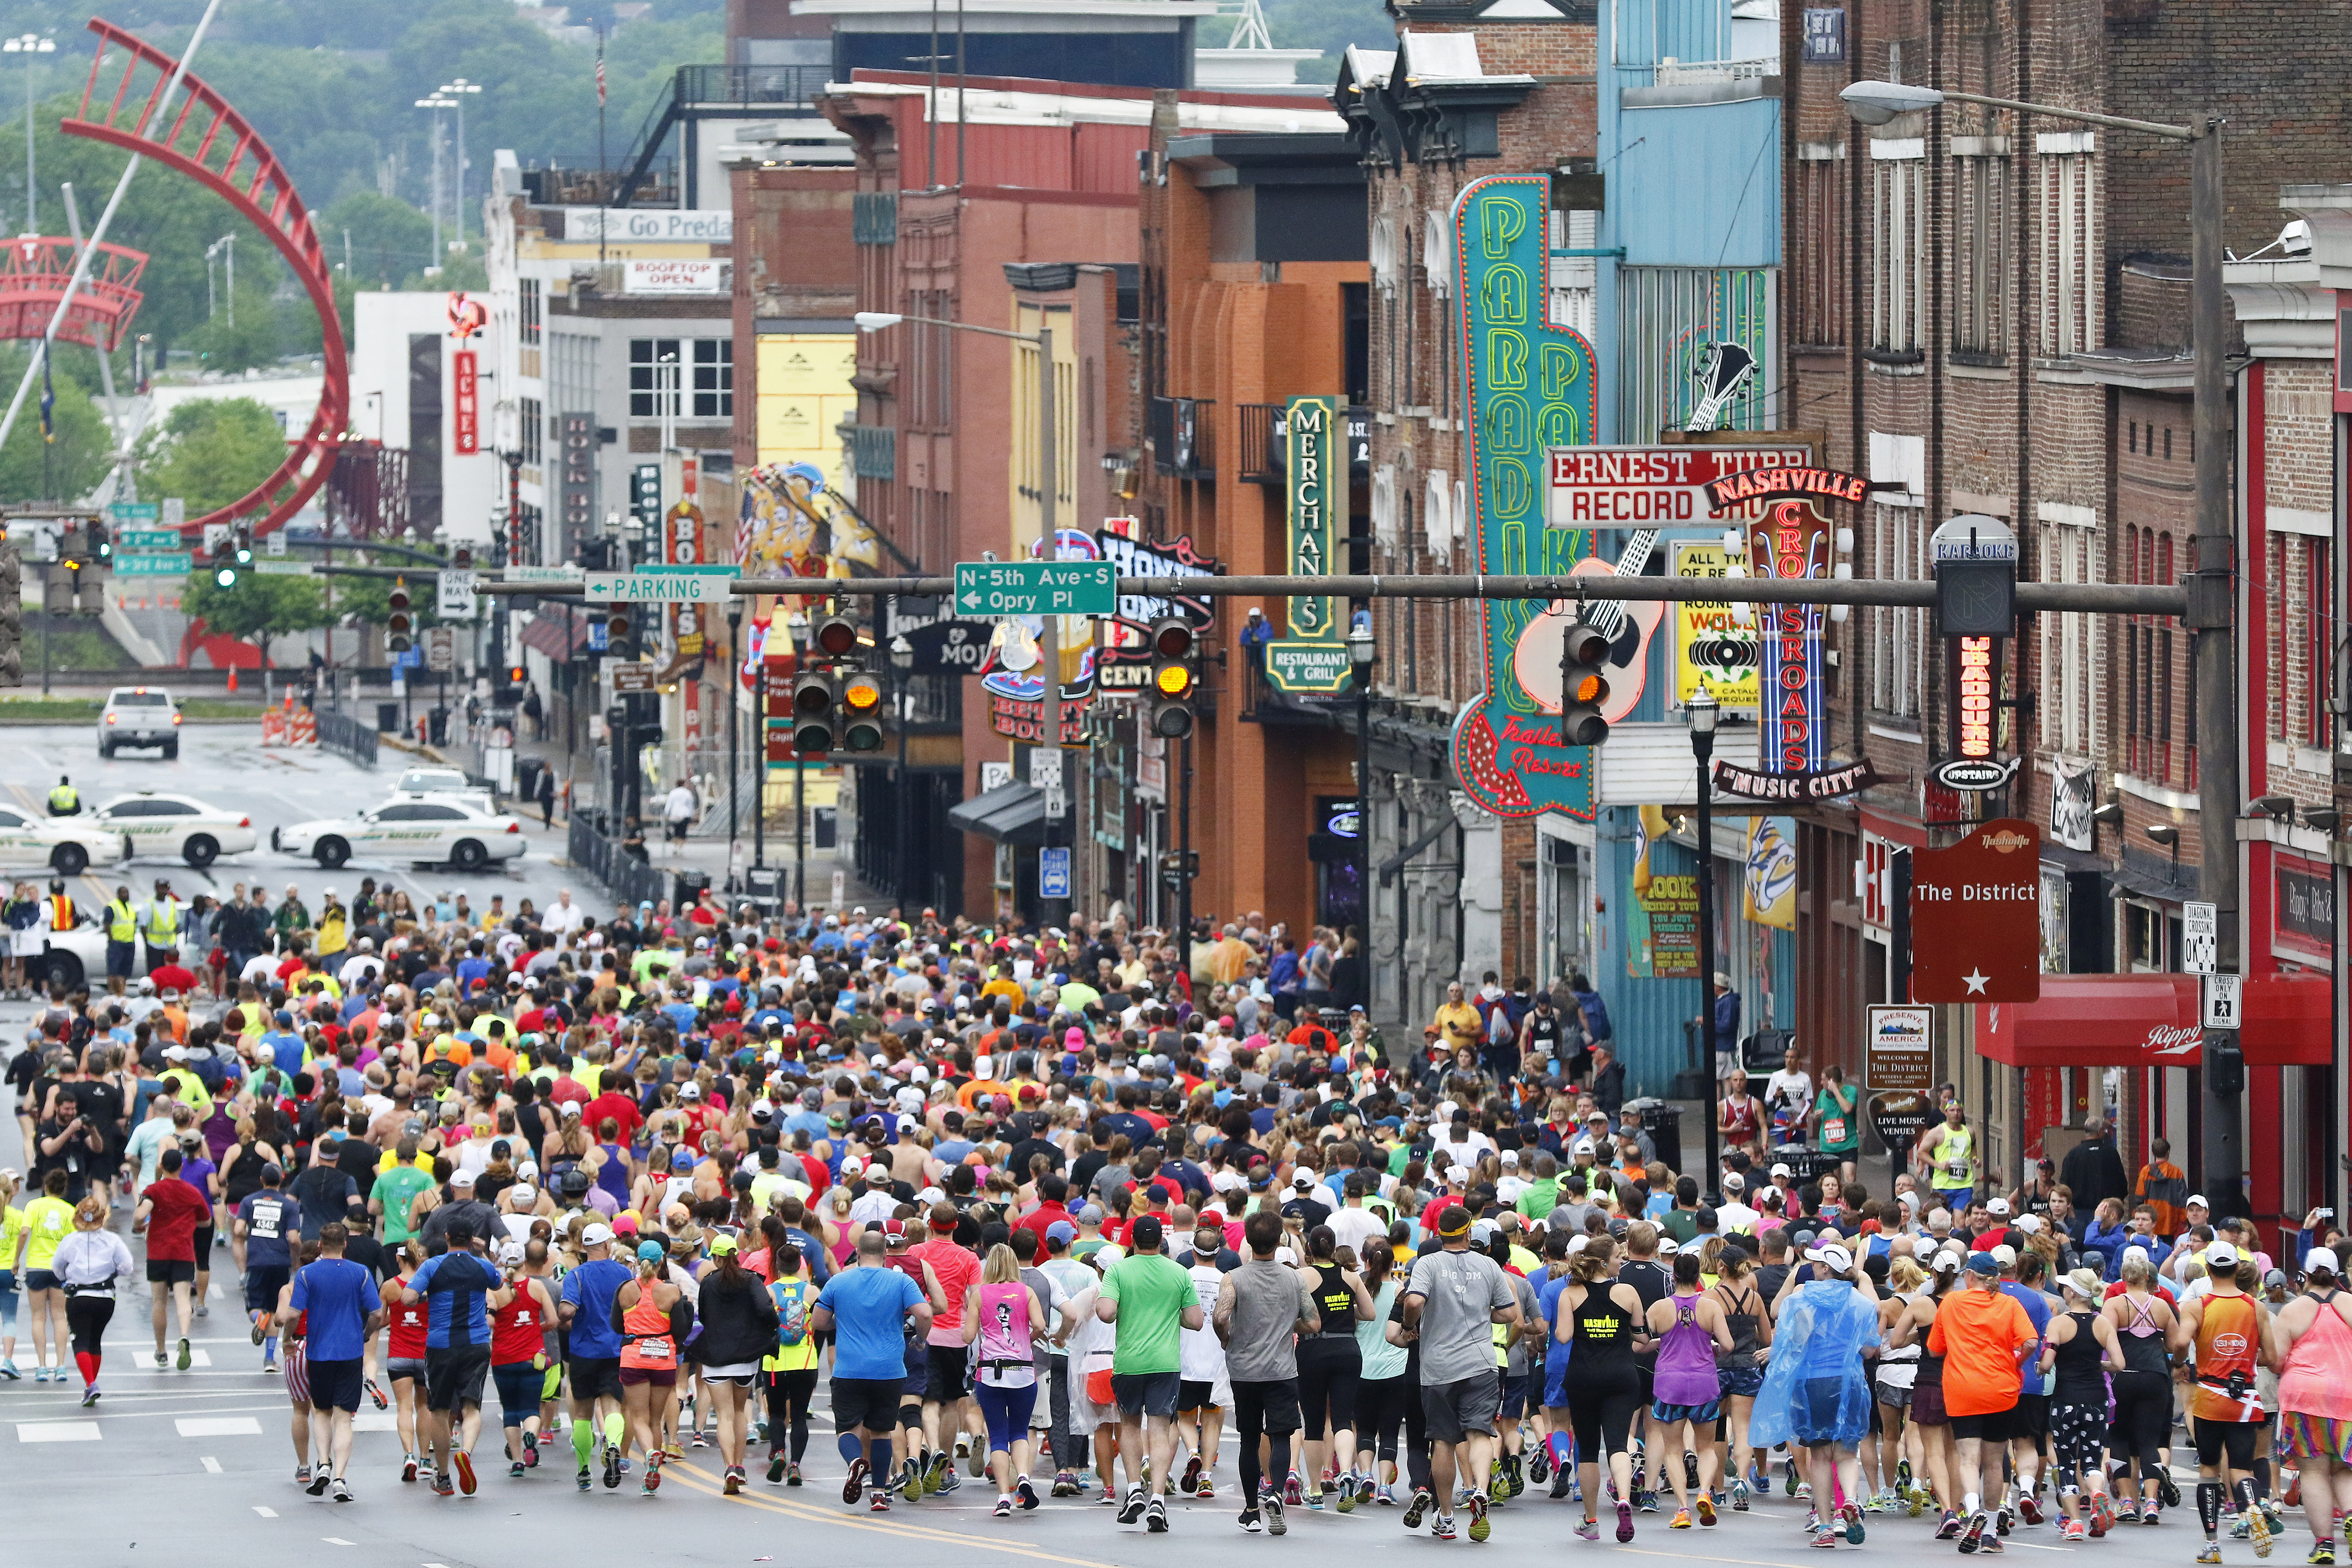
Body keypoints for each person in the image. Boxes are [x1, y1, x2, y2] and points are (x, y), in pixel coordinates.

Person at [1403, 1202, 1521, 1543]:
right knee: (1479, 1433)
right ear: (1468, 1233)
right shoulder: (1488, 1265)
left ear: (1439, 1233)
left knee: (1443, 1440)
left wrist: (1412, 1325)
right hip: (1481, 1363)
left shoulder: (1428, 1264)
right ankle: (1480, 1489)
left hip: (1440, 1366)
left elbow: (1413, 1302)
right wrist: (1484, 1314)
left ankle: (1446, 1516)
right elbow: (1510, 1313)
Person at [1750, 1241, 1881, 1548]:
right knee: (1847, 1453)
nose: (1811, 1267)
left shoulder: (1800, 1301)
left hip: (1814, 1384)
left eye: (1816, 1263)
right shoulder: (1863, 1303)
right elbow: (1869, 1350)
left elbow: (1794, 1343)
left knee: (1820, 1457)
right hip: (1849, 1382)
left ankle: (1825, 1527)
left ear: (1825, 1269)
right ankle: (1850, 1500)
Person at [812, 1227, 935, 1512]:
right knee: (882, 1432)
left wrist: (840, 1322)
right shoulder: (901, 1281)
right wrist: (920, 1338)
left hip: (849, 1369)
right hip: (889, 1370)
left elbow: (818, 1321)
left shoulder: (838, 1281)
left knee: (848, 1429)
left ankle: (855, 1462)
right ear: (885, 1254)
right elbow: (926, 1313)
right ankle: (880, 1493)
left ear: (857, 1253)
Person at [1096, 1213, 1204, 1532]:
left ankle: (1133, 1490)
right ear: (1160, 1241)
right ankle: (1158, 1498)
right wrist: (1172, 1315)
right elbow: (1196, 1321)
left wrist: (1123, 1307)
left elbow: (1106, 1313)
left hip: (1129, 1362)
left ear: (1132, 1241)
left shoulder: (1118, 1270)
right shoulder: (1179, 1272)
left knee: (1130, 1426)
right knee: (1159, 1430)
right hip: (1165, 1363)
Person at [1215, 1208, 1320, 1533]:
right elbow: (1314, 1322)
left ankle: (1251, 1510)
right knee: (1281, 1436)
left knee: (1249, 1439)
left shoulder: (1234, 1278)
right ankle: (1275, 1492)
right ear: (1279, 1241)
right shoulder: (1294, 1279)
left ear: (1248, 1240)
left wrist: (1227, 1339)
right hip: (1282, 1369)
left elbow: (1220, 1317)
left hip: (1244, 1371)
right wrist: (1289, 1324)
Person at [2179, 1240, 2284, 1563]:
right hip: (2245, 1398)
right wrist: (2245, 1358)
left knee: (2210, 1470)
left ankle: (2212, 1545)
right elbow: (2272, 1357)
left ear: (2208, 1270)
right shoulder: (2256, 1307)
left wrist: (2181, 1361)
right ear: (2237, 1268)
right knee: (2242, 1467)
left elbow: (2181, 1342)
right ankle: (2252, 1504)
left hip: (2210, 1396)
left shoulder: (2197, 1307)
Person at [1929, 1251, 2038, 1553]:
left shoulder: (1951, 1302)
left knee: (1968, 1458)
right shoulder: (2009, 1304)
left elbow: (1935, 1350)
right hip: (2001, 1390)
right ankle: (1989, 1532)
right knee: (1993, 1462)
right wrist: (2016, 1362)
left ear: (1969, 1276)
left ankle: (1972, 1508)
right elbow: (2031, 1342)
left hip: (1962, 1388)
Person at [392, 1221, 511, 1498]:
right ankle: (466, 1452)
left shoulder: (432, 1266)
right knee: (471, 1407)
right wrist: (481, 1254)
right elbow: (501, 1289)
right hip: (476, 1343)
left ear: (447, 1237)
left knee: (440, 1410)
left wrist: (427, 1296)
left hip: (441, 1345)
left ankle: (444, 1477)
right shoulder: (482, 1266)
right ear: (472, 1239)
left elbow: (407, 1298)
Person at [1555, 1232, 1645, 1542]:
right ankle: (1624, 1498)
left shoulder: (1571, 1294)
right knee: (1618, 1444)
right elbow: (1641, 1335)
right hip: (1621, 1376)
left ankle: (1591, 1520)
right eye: (1619, 1257)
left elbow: (1563, 1336)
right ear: (1604, 1263)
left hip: (1584, 1377)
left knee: (1589, 1451)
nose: (1623, 1260)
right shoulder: (1628, 1292)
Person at [289, 1221, 385, 1503]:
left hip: (319, 1353)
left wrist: (286, 1340)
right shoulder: (361, 1273)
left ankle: (323, 1463)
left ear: (320, 1245)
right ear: (345, 1244)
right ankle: (340, 1479)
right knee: (344, 1419)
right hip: (350, 1353)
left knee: (321, 1412)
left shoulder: (307, 1273)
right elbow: (377, 1314)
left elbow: (293, 1314)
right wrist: (365, 1334)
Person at [1645, 1249, 1736, 1528]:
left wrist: (1661, 1342)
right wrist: (1714, 1349)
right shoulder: (1711, 1307)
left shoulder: (1659, 1308)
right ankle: (1705, 1492)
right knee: (1706, 1446)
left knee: (1673, 1450)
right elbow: (1728, 1345)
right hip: (1704, 1383)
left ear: (1673, 1276)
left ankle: (1683, 1509)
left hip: (1669, 1384)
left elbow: (1639, 1343)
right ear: (1699, 1277)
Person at [2276, 1249, 2352, 1565]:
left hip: (2304, 1398)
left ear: (2304, 1275)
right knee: (2345, 1468)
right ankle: (2351, 1515)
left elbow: (2277, 1361)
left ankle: (2324, 1544)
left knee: (2313, 1472)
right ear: (2337, 1275)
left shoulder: (2292, 1311)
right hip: (2347, 1397)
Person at [964, 1241, 1050, 1517]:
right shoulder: (1026, 1292)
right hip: (1023, 1371)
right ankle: (1023, 1475)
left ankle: (1003, 1497)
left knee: (998, 1436)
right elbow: (1040, 1325)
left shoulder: (980, 1294)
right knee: (1020, 1431)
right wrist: (1027, 1339)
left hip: (990, 1372)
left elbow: (968, 1336)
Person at [688, 1233, 776, 1496]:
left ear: (715, 1258)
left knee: (723, 1415)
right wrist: (769, 1328)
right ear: (736, 1255)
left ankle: (729, 1468)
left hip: (716, 1356)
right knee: (740, 1411)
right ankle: (740, 1466)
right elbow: (765, 1309)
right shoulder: (751, 1280)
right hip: (746, 1356)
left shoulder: (708, 1283)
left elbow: (704, 1316)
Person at [2042, 1266, 2126, 1540]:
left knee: (2066, 1462)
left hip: (2066, 1400)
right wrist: (2099, 1365)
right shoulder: (2103, 1324)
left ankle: (2075, 1522)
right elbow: (2119, 1363)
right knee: (2092, 1459)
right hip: (2096, 1401)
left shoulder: (2058, 1324)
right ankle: (2098, 1491)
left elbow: (2047, 1363)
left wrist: (2040, 1368)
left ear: (2071, 1293)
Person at [614, 1239, 689, 1495]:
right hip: (663, 1357)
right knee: (656, 1419)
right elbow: (681, 1328)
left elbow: (616, 1324)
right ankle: (653, 1468)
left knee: (639, 1418)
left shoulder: (625, 1289)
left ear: (637, 1260)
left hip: (634, 1356)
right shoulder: (671, 1291)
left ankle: (648, 1454)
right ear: (661, 1262)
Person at [131, 1145, 209, 1372]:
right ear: (181, 1167)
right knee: (183, 1299)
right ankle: (184, 1335)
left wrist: (139, 1225)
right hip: (183, 1252)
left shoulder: (154, 1190)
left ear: (162, 1166)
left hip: (158, 1252)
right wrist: (189, 1221)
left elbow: (140, 1214)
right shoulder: (192, 1192)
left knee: (159, 1302)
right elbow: (206, 1221)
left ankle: (161, 1351)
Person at [48, 1196, 131, 1405]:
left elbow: (57, 1267)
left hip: (78, 1297)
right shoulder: (112, 1240)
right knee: (95, 1340)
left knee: (80, 1340)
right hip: (105, 1297)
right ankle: (90, 1385)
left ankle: (91, 1383)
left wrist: (66, 1278)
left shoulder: (69, 1241)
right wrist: (112, 1273)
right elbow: (127, 1266)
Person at [761, 1239, 822, 1486]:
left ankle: (779, 1452)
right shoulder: (811, 1292)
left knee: (776, 1414)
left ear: (777, 1265)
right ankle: (795, 1466)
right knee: (799, 1416)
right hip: (805, 1361)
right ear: (800, 1266)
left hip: (774, 1363)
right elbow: (822, 1323)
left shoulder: (768, 1292)